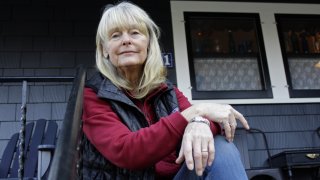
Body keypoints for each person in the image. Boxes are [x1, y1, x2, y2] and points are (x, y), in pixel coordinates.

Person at [81, 1, 250, 180]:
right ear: (105, 50)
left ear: (148, 44)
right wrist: (197, 111)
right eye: (115, 36)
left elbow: (207, 122)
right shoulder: (93, 95)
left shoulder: (166, 90)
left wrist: (200, 121)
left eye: (135, 33)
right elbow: (126, 150)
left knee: (221, 147)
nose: (126, 40)